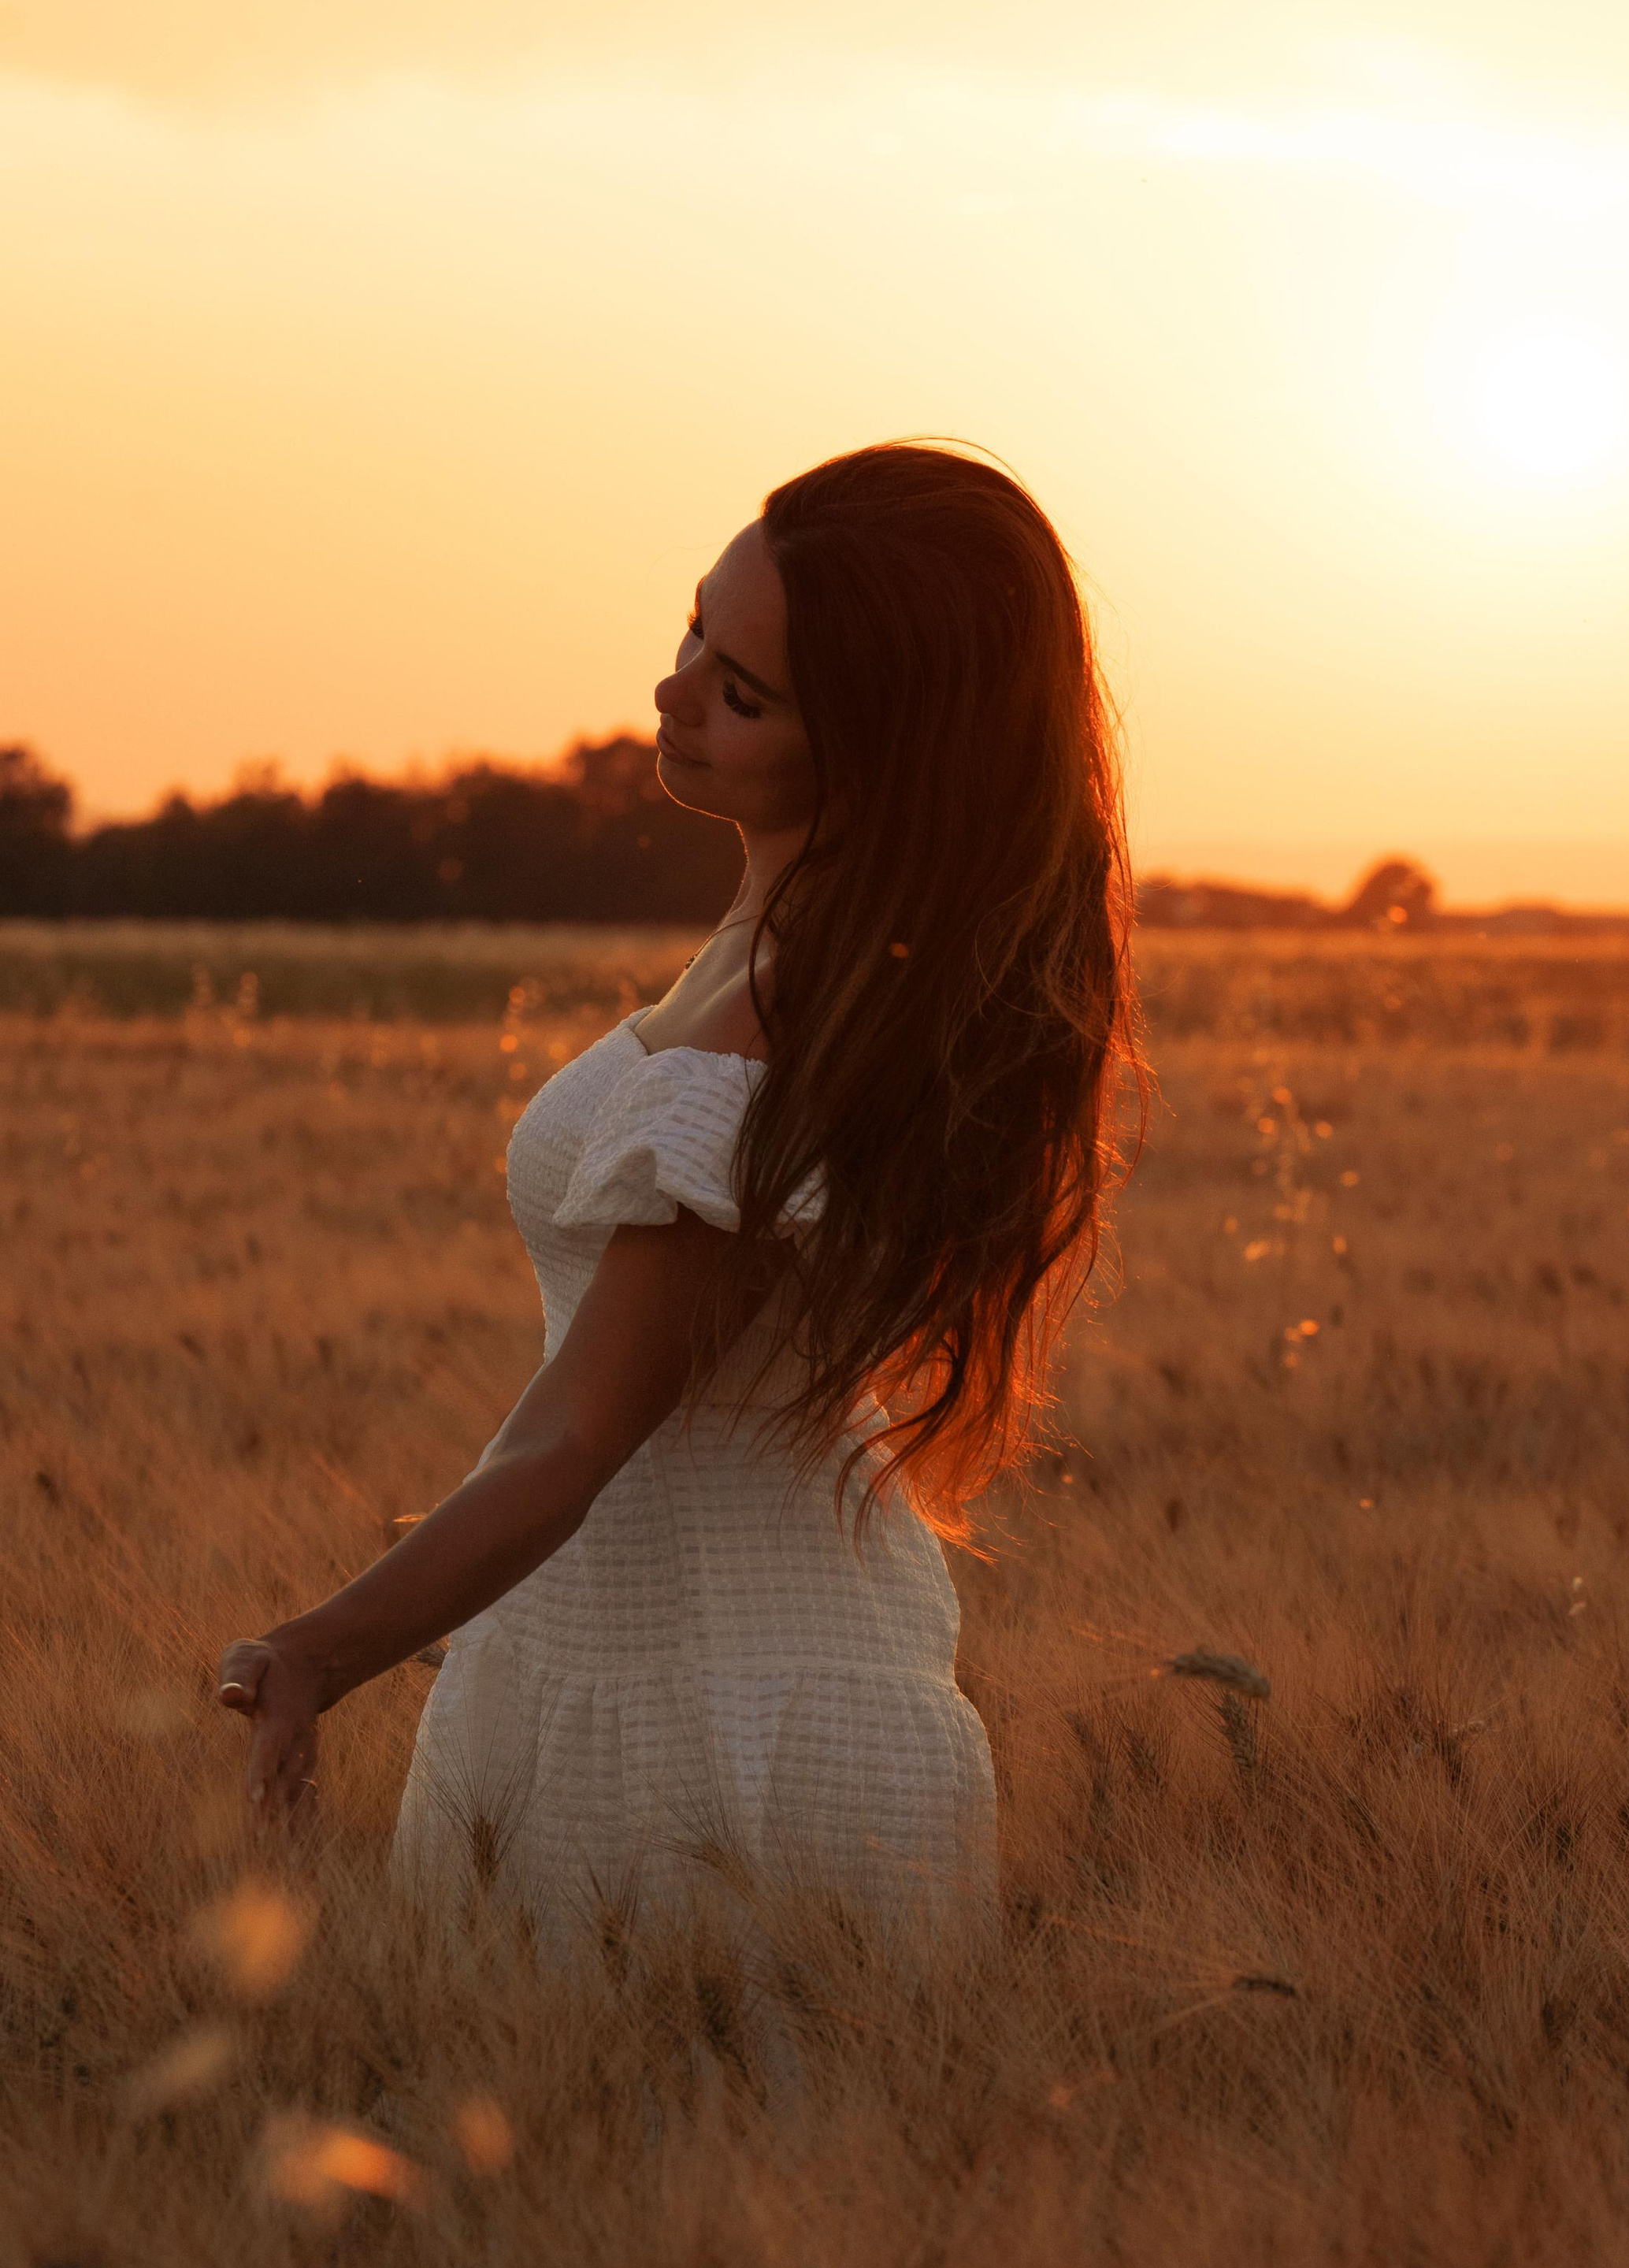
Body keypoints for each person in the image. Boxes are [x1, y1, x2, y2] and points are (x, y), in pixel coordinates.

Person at [217, 442, 1145, 1978]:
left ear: (880, 752)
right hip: (627, 1660)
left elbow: (578, 1434)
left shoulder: (781, 1017)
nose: (672, 691)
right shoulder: (789, 946)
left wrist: (321, 1652)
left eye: (743, 691)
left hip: (719, 1723)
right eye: (693, 635)